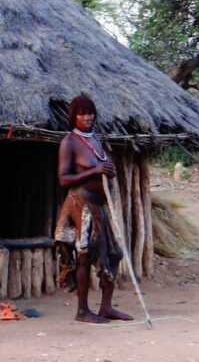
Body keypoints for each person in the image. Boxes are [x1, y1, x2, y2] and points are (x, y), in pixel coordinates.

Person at [55, 94, 133, 323]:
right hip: (80, 205)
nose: (86, 117)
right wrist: (94, 171)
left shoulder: (95, 139)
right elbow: (63, 179)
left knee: (114, 254)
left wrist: (107, 170)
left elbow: (101, 166)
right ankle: (82, 311)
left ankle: (106, 307)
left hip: (99, 207)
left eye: (90, 113)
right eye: (81, 113)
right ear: (73, 117)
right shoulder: (69, 142)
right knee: (85, 256)